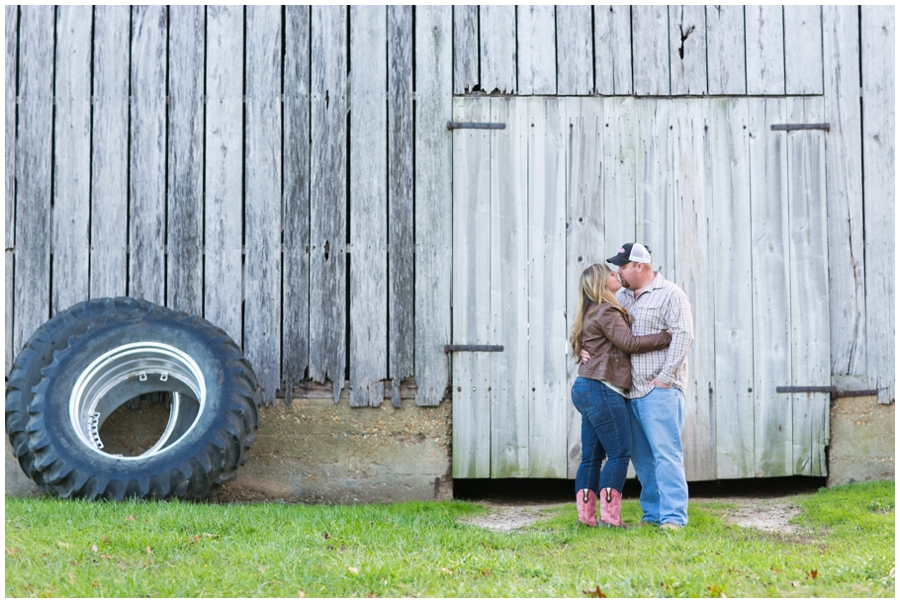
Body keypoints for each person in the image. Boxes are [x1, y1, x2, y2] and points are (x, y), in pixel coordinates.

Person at [590, 242, 694, 531]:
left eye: (623, 267)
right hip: (627, 392)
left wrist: (665, 378)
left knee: (666, 454)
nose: (618, 272)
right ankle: (653, 515)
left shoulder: (670, 294)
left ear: (640, 266)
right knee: (644, 461)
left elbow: (684, 335)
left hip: (658, 390)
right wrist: (585, 349)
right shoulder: (620, 296)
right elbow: (597, 325)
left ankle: (674, 518)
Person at [569, 263, 672, 528]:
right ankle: (610, 519)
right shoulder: (607, 310)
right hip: (603, 388)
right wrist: (665, 336)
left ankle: (586, 518)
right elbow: (630, 344)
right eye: (613, 275)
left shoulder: (590, 310)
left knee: (591, 457)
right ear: (603, 283)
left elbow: (585, 343)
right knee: (619, 452)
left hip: (584, 386)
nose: (618, 276)